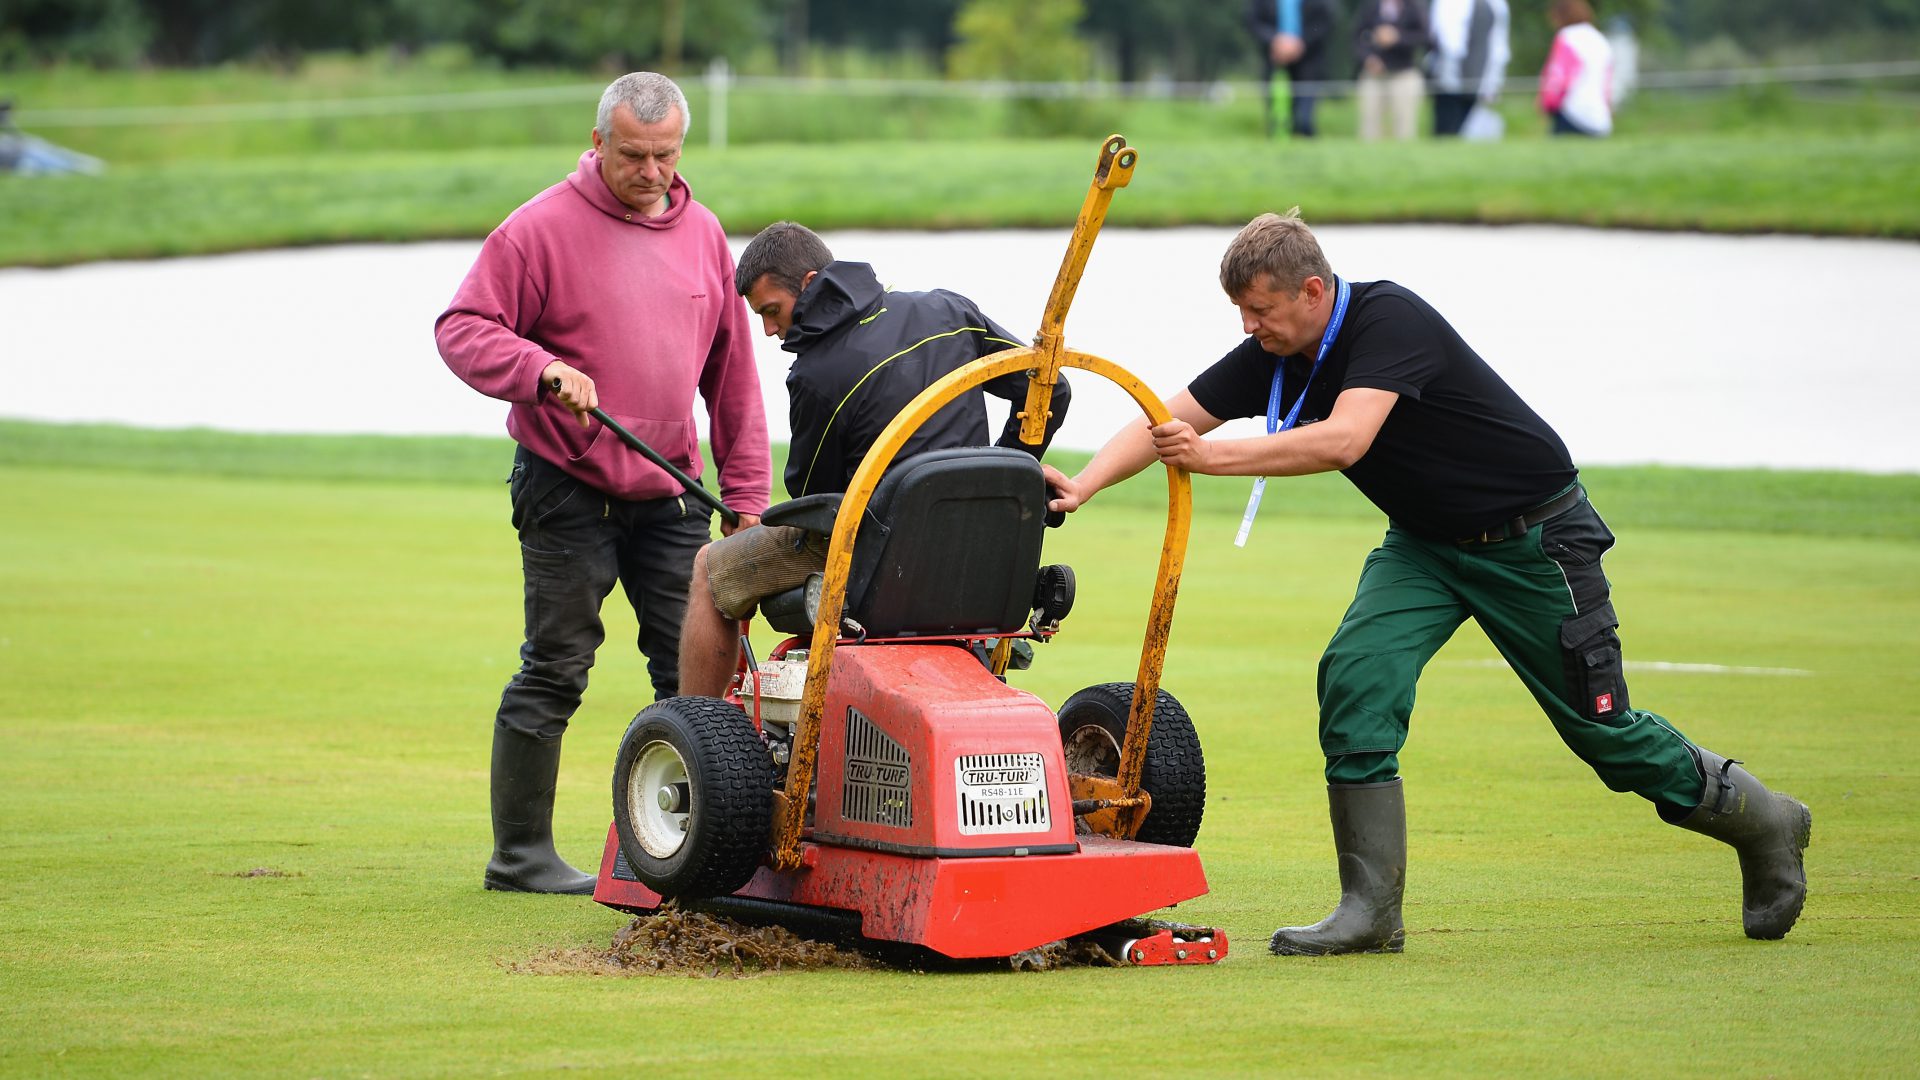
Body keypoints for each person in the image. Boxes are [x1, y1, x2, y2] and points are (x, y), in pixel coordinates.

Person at [1042, 210, 1812, 953]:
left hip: (1535, 540)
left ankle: (1765, 821)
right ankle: (1370, 912)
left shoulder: (1390, 322)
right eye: (1242, 312)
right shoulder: (1277, 352)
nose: (1249, 327)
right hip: (1424, 548)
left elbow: (1345, 440)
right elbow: (1163, 418)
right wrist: (1083, 483)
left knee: (1604, 737)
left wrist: (1209, 460)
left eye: (1260, 310)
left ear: (1312, 292)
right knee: (1355, 679)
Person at [435, 72, 770, 895]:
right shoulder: (537, 230)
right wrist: (539, 367)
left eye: (665, 155)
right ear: (598, 144)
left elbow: (733, 384)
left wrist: (750, 505)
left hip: (671, 497)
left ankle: (704, 851)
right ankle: (521, 858)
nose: (651, 172)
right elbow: (462, 329)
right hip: (565, 487)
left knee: (700, 673)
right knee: (556, 666)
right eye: (633, 155)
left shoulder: (704, 234)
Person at [677, 222, 1071, 697]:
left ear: (808, 283)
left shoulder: (816, 375)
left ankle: (697, 726)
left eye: (772, 311)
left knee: (708, 568)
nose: (768, 330)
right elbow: (1049, 389)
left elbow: (812, 498)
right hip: (981, 543)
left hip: (881, 556)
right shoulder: (947, 308)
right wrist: (1011, 476)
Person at [1246, 0, 1338, 139]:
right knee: (1277, 116)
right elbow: (1252, 20)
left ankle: (1305, 137)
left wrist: (1301, 43)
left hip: (1309, 58)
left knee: (1304, 118)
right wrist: (1275, 41)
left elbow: (1326, 20)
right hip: (1274, 57)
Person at [1425, 0, 1509, 136]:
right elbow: (1444, 38)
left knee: (1468, 127)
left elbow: (1498, 43)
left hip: (1479, 74)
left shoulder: (1496, 4)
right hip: (1448, 77)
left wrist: (1493, 81)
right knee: (1446, 127)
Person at [1353, 0, 1429, 141]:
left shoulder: (1414, 7)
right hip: (1373, 75)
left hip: (1404, 74)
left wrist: (1398, 37)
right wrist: (1368, 58)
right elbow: (1356, 37)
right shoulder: (1370, 6)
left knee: (1404, 125)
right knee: (1369, 125)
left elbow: (1425, 37)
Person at [1539, 0, 1615, 137]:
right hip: (1600, 118)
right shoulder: (1599, 39)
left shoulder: (1567, 37)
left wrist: (1548, 104)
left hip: (1572, 113)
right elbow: (1607, 84)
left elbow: (1558, 76)